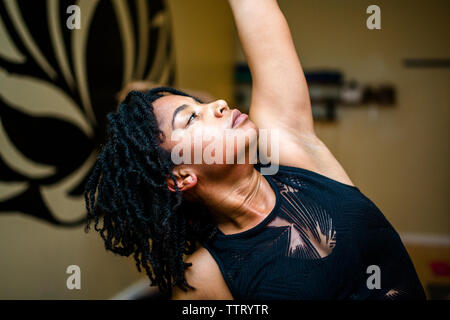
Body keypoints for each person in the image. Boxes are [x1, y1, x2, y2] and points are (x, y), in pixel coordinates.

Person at [84, 0, 426, 300]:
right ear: (180, 177)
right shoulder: (204, 279)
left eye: (200, 103)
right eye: (190, 118)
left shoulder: (294, 154)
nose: (218, 104)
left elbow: (254, 6)